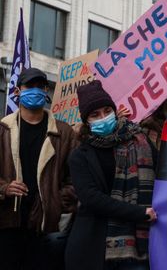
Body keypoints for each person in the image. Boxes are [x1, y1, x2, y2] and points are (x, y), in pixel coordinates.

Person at [65, 80, 157, 270]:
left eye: (107, 111)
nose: (103, 117)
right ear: (86, 121)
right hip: (94, 246)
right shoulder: (79, 155)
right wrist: (140, 213)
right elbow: (91, 198)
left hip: (138, 248)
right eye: (95, 114)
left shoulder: (140, 140)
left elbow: (165, 170)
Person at [0, 67, 78, 270]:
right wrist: (4, 188)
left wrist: (55, 202)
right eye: (29, 86)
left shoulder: (64, 133)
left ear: (46, 91)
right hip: (7, 224)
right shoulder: (2, 130)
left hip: (46, 228)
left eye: (39, 87)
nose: (34, 91)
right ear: (17, 91)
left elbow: (76, 179)